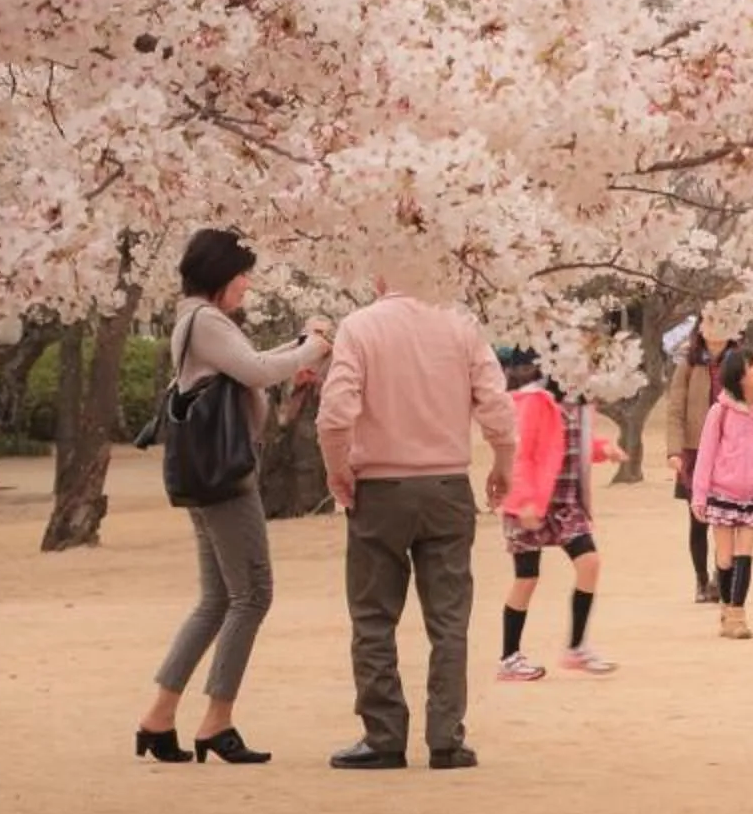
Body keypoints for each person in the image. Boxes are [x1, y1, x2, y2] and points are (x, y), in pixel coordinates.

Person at [136, 227, 334, 765]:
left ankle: (159, 718)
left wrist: (298, 347)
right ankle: (216, 721)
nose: (248, 284)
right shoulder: (205, 320)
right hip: (226, 479)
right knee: (253, 595)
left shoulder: (196, 320)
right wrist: (313, 347)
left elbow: (247, 362)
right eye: (243, 274)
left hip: (205, 477)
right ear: (221, 274)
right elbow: (256, 371)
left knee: (217, 599)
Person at [315, 256, 515, 773]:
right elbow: (495, 402)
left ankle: (383, 736)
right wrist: (503, 461)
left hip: (379, 489)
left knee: (373, 618)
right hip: (448, 486)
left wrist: (338, 470)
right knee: (449, 620)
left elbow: (335, 415)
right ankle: (446, 738)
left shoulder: (360, 327)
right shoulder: (460, 324)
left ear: (381, 273)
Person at [495, 349, 624, 678]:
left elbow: (575, 445)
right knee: (526, 578)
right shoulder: (535, 400)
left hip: (566, 504)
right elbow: (522, 453)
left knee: (589, 563)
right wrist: (525, 500)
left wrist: (604, 449)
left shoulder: (581, 406)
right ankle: (509, 658)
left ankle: (576, 648)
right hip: (530, 502)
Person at [690, 345, 753, 639]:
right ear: (739, 376)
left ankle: (737, 615)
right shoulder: (720, 411)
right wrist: (699, 496)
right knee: (724, 557)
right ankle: (726, 610)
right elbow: (706, 455)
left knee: (744, 554)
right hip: (722, 494)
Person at [656, 316, 723, 603]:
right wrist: (674, 450)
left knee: (727, 516)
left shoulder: (740, 361)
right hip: (695, 451)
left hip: (728, 451)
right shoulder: (689, 363)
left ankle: (722, 575)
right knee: (698, 519)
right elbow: (675, 410)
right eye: (709, 322)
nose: (715, 329)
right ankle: (701, 580)